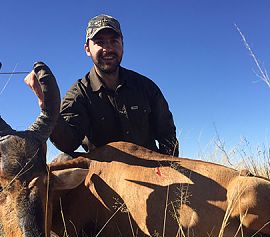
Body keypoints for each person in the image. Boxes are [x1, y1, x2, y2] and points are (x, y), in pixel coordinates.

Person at [50, 14, 179, 156]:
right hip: (105, 173)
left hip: (149, 170)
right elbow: (67, 143)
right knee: (64, 160)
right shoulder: (78, 94)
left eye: (114, 41)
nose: (108, 49)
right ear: (87, 49)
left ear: (122, 45)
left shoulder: (146, 87)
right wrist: (47, 105)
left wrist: (167, 169)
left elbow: (167, 135)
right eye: (99, 42)